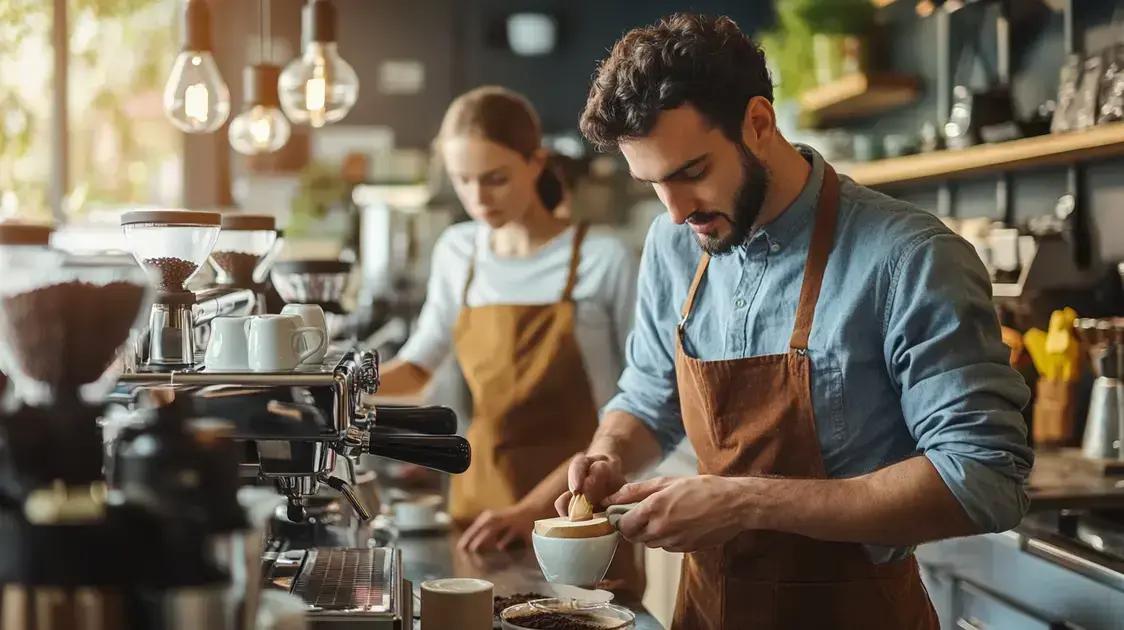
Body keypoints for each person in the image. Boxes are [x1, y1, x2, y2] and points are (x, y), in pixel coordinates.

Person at [555, 14, 1033, 629]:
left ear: (758, 123)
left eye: (692, 173)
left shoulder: (909, 257)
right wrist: (609, 454)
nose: (674, 212)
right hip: (706, 613)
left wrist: (746, 501)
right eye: (652, 184)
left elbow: (984, 477)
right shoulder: (673, 245)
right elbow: (650, 396)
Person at [376, 86, 643, 593]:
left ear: (536, 162)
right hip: (482, 512)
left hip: (578, 511)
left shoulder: (603, 258)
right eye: (463, 180)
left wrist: (531, 512)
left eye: (495, 179)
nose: (479, 198)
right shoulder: (458, 251)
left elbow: (634, 405)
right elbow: (417, 367)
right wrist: (327, 389)